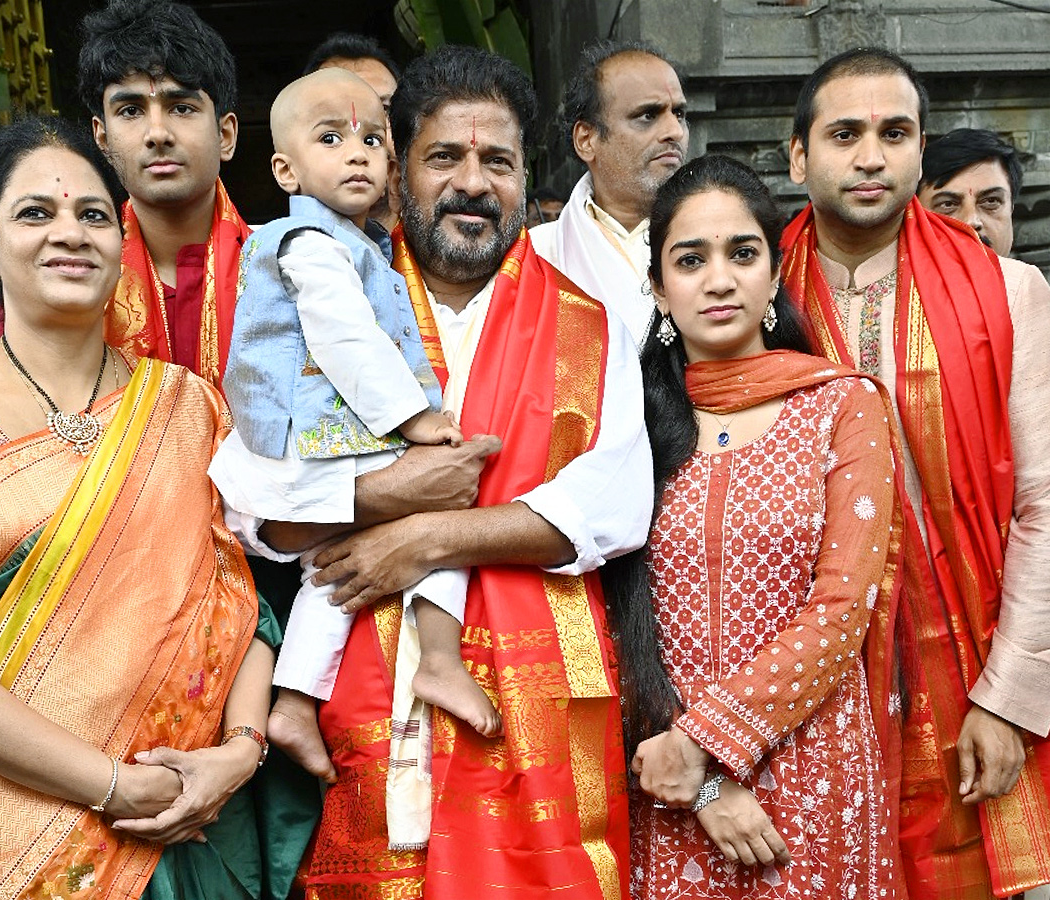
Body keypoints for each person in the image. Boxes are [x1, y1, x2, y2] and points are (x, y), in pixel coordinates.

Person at [237, 45, 653, 898]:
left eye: (497, 161)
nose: (473, 183)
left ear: (525, 175)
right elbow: (250, 498)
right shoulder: (325, 289)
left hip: (537, 705)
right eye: (444, 158)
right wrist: (386, 494)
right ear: (396, 174)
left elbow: (614, 506)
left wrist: (424, 538)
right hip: (362, 688)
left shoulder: (592, 320)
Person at [0, 117, 272, 899]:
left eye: (92, 215)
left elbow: (251, 605)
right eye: (35, 214)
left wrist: (240, 751)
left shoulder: (189, 406)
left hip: (191, 812)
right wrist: (111, 785)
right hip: (3, 827)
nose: (70, 235)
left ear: (118, 239)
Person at [783, 48, 1050, 899]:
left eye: (894, 133)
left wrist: (1009, 698)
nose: (871, 156)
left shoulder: (1009, 291)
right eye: (845, 133)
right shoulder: (746, 293)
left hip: (967, 666)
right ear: (799, 157)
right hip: (808, 684)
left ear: (920, 150)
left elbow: (1043, 507)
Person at [624, 153, 903, 897]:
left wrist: (706, 744)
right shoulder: (627, 424)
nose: (720, 279)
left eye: (742, 254)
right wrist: (700, 781)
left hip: (809, 770)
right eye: (691, 259)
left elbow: (843, 609)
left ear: (774, 275)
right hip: (668, 786)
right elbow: (612, 610)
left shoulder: (843, 407)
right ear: (658, 285)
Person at [215, 69, 500, 796]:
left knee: (330, 569)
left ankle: (294, 702)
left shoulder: (359, 241)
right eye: (332, 137)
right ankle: (440, 657)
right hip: (294, 446)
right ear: (284, 169)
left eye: (373, 138)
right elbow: (347, 342)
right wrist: (416, 421)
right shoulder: (308, 240)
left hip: (313, 447)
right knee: (439, 503)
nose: (358, 154)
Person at [79, 0, 249, 390]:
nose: (158, 132)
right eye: (131, 111)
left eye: (182, 107)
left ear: (225, 135)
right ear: (101, 137)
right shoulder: (68, 278)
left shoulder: (289, 272)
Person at [530, 40, 688, 347]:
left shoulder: (724, 240)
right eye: (647, 115)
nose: (675, 131)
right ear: (587, 139)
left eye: (679, 114)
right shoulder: (535, 256)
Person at [304, 32, 404, 233]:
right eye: (336, 114)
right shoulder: (282, 253)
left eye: (384, 109)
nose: (361, 147)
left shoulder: (442, 248)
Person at [918, 128, 1023, 257]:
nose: (971, 222)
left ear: (1011, 208)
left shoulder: (1028, 277)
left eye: (991, 201)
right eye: (948, 204)